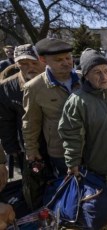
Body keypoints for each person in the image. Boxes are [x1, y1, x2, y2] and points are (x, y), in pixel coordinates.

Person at [58, 48, 107, 226]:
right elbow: (70, 134)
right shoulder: (77, 101)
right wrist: (72, 162)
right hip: (98, 162)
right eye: (97, 72)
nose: (103, 77)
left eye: (106, 71)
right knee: (103, 195)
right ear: (85, 75)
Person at [22, 38, 80, 177]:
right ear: (43, 60)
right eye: (59, 60)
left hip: (90, 146)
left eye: (68, 58)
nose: (66, 62)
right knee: (69, 188)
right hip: (60, 150)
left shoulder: (84, 79)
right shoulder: (34, 87)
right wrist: (31, 150)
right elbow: (30, 122)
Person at [0, 44, 45, 178]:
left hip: (55, 143)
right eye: (23, 63)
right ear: (16, 64)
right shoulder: (6, 88)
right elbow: (5, 120)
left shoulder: (53, 79)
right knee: (34, 182)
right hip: (27, 145)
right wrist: (11, 147)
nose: (30, 67)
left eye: (33, 62)